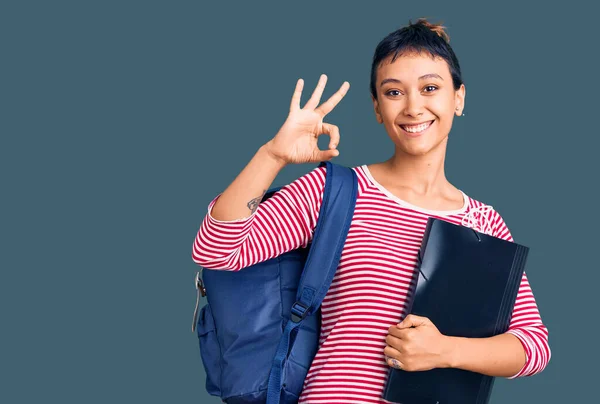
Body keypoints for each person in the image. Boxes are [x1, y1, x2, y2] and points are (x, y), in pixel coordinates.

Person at [192, 18, 550, 404]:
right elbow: (217, 251)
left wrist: (445, 350)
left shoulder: (484, 222)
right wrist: (273, 156)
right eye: (394, 92)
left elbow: (532, 346)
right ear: (377, 108)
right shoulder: (336, 192)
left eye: (430, 88)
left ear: (458, 98)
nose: (414, 107)